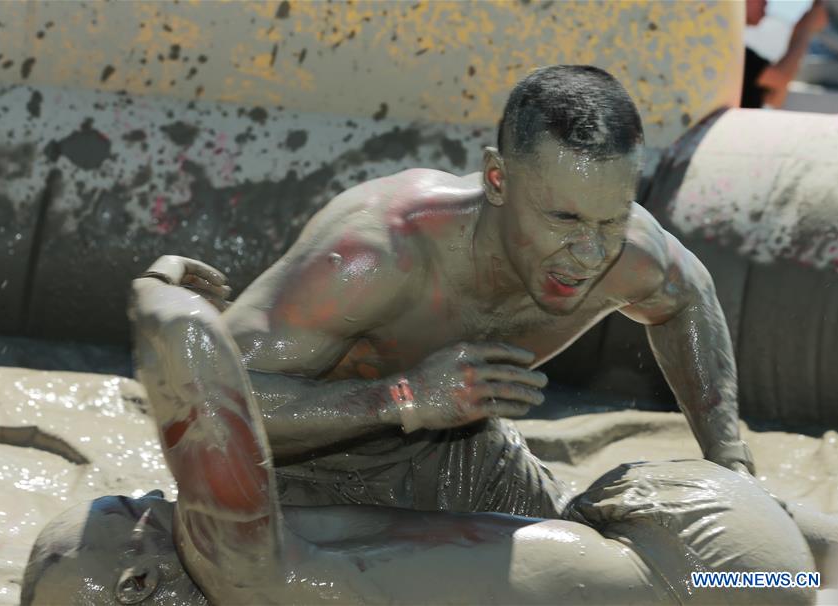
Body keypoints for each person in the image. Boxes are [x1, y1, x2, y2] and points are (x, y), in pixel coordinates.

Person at [149, 65, 753, 521]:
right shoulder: (374, 254)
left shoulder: (629, 252)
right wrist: (400, 398)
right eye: (564, 220)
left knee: (653, 571)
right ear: (497, 179)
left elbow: (687, 297)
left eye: (612, 219)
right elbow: (207, 409)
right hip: (298, 473)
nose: (592, 254)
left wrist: (731, 464)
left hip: (467, 456)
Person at [21, 278, 818, 604]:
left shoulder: (300, 563)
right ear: (133, 582)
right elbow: (194, 366)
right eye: (137, 512)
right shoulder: (265, 576)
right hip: (723, 573)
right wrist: (159, 302)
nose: (160, 498)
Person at [742, 0, 829, 108]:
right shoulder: (733, 54)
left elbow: (775, 97)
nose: (766, 3)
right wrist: (806, 28)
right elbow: (780, 78)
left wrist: (800, 31)